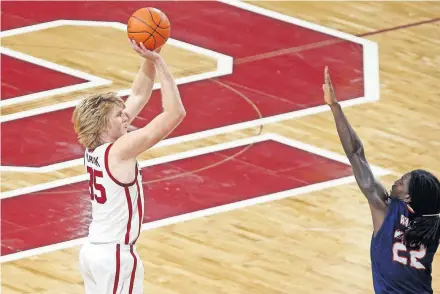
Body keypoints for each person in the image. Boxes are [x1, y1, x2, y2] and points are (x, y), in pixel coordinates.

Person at [72, 41, 186, 294]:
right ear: (103, 124)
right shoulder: (119, 151)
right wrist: (159, 63)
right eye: (119, 115)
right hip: (114, 256)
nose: (126, 117)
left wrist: (148, 55)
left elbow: (138, 95)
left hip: (93, 252)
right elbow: (174, 113)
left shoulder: (95, 146)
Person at [323, 66, 440, 293]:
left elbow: (355, 152)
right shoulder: (433, 225)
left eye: (402, 181)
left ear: (408, 197)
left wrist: (335, 107)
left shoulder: (385, 210)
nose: (396, 181)